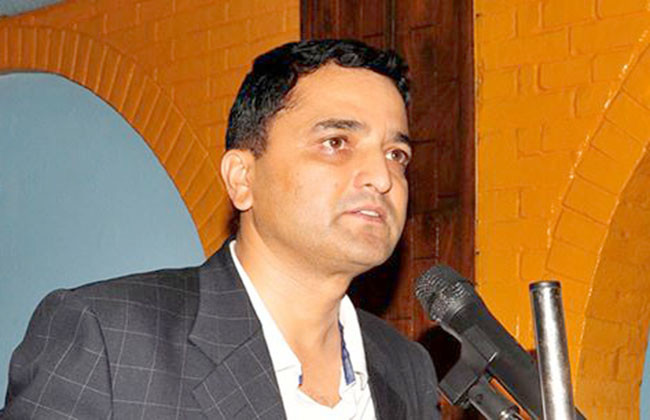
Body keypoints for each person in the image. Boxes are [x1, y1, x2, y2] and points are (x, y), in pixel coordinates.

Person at [2, 39, 440, 419]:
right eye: (336, 143)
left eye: (396, 155)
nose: (381, 177)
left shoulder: (406, 366)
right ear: (242, 179)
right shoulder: (111, 337)